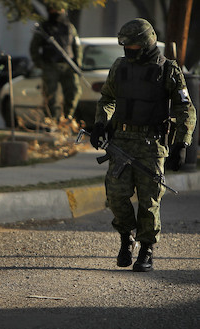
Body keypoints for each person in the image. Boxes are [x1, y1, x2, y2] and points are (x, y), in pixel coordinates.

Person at [90, 18, 197, 272]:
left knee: (149, 201)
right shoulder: (120, 67)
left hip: (151, 145)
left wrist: (182, 142)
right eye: (126, 47)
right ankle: (126, 238)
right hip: (121, 142)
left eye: (133, 47)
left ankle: (146, 248)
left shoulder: (167, 69)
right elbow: (108, 97)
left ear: (146, 43)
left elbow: (185, 108)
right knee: (116, 196)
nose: (128, 51)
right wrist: (100, 123)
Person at [29, 2, 82, 122]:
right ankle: (51, 120)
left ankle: (68, 118)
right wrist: (40, 64)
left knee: (73, 92)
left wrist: (77, 63)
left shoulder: (69, 27)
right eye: (53, 10)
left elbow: (77, 46)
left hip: (68, 65)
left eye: (58, 11)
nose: (56, 13)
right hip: (50, 65)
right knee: (50, 95)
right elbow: (34, 47)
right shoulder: (44, 28)